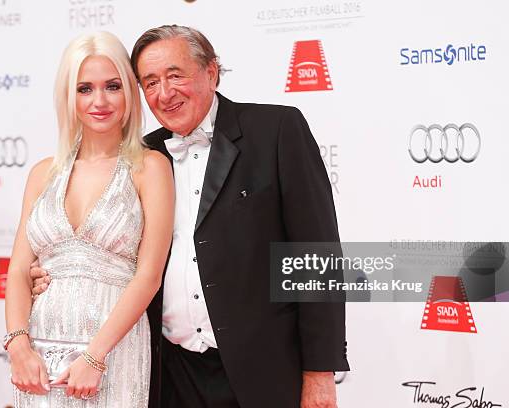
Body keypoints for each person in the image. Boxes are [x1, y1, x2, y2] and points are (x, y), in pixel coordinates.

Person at [32, 25, 349, 408]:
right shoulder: (141, 158)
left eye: (175, 75)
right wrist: (56, 274)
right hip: (168, 374)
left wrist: (319, 372)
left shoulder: (276, 131)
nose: (164, 93)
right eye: (149, 82)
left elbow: (317, 258)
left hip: (261, 372)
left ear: (212, 72)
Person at [4, 31, 173, 408]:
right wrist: (18, 345)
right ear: (69, 95)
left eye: (112, 86)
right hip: (39, 354)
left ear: (129, 92)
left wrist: (96, 356)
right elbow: (17, 270)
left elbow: (148, 275)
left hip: (112, 352)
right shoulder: (42, 173)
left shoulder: (150, 167)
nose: (99, 101)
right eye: (85, 89)